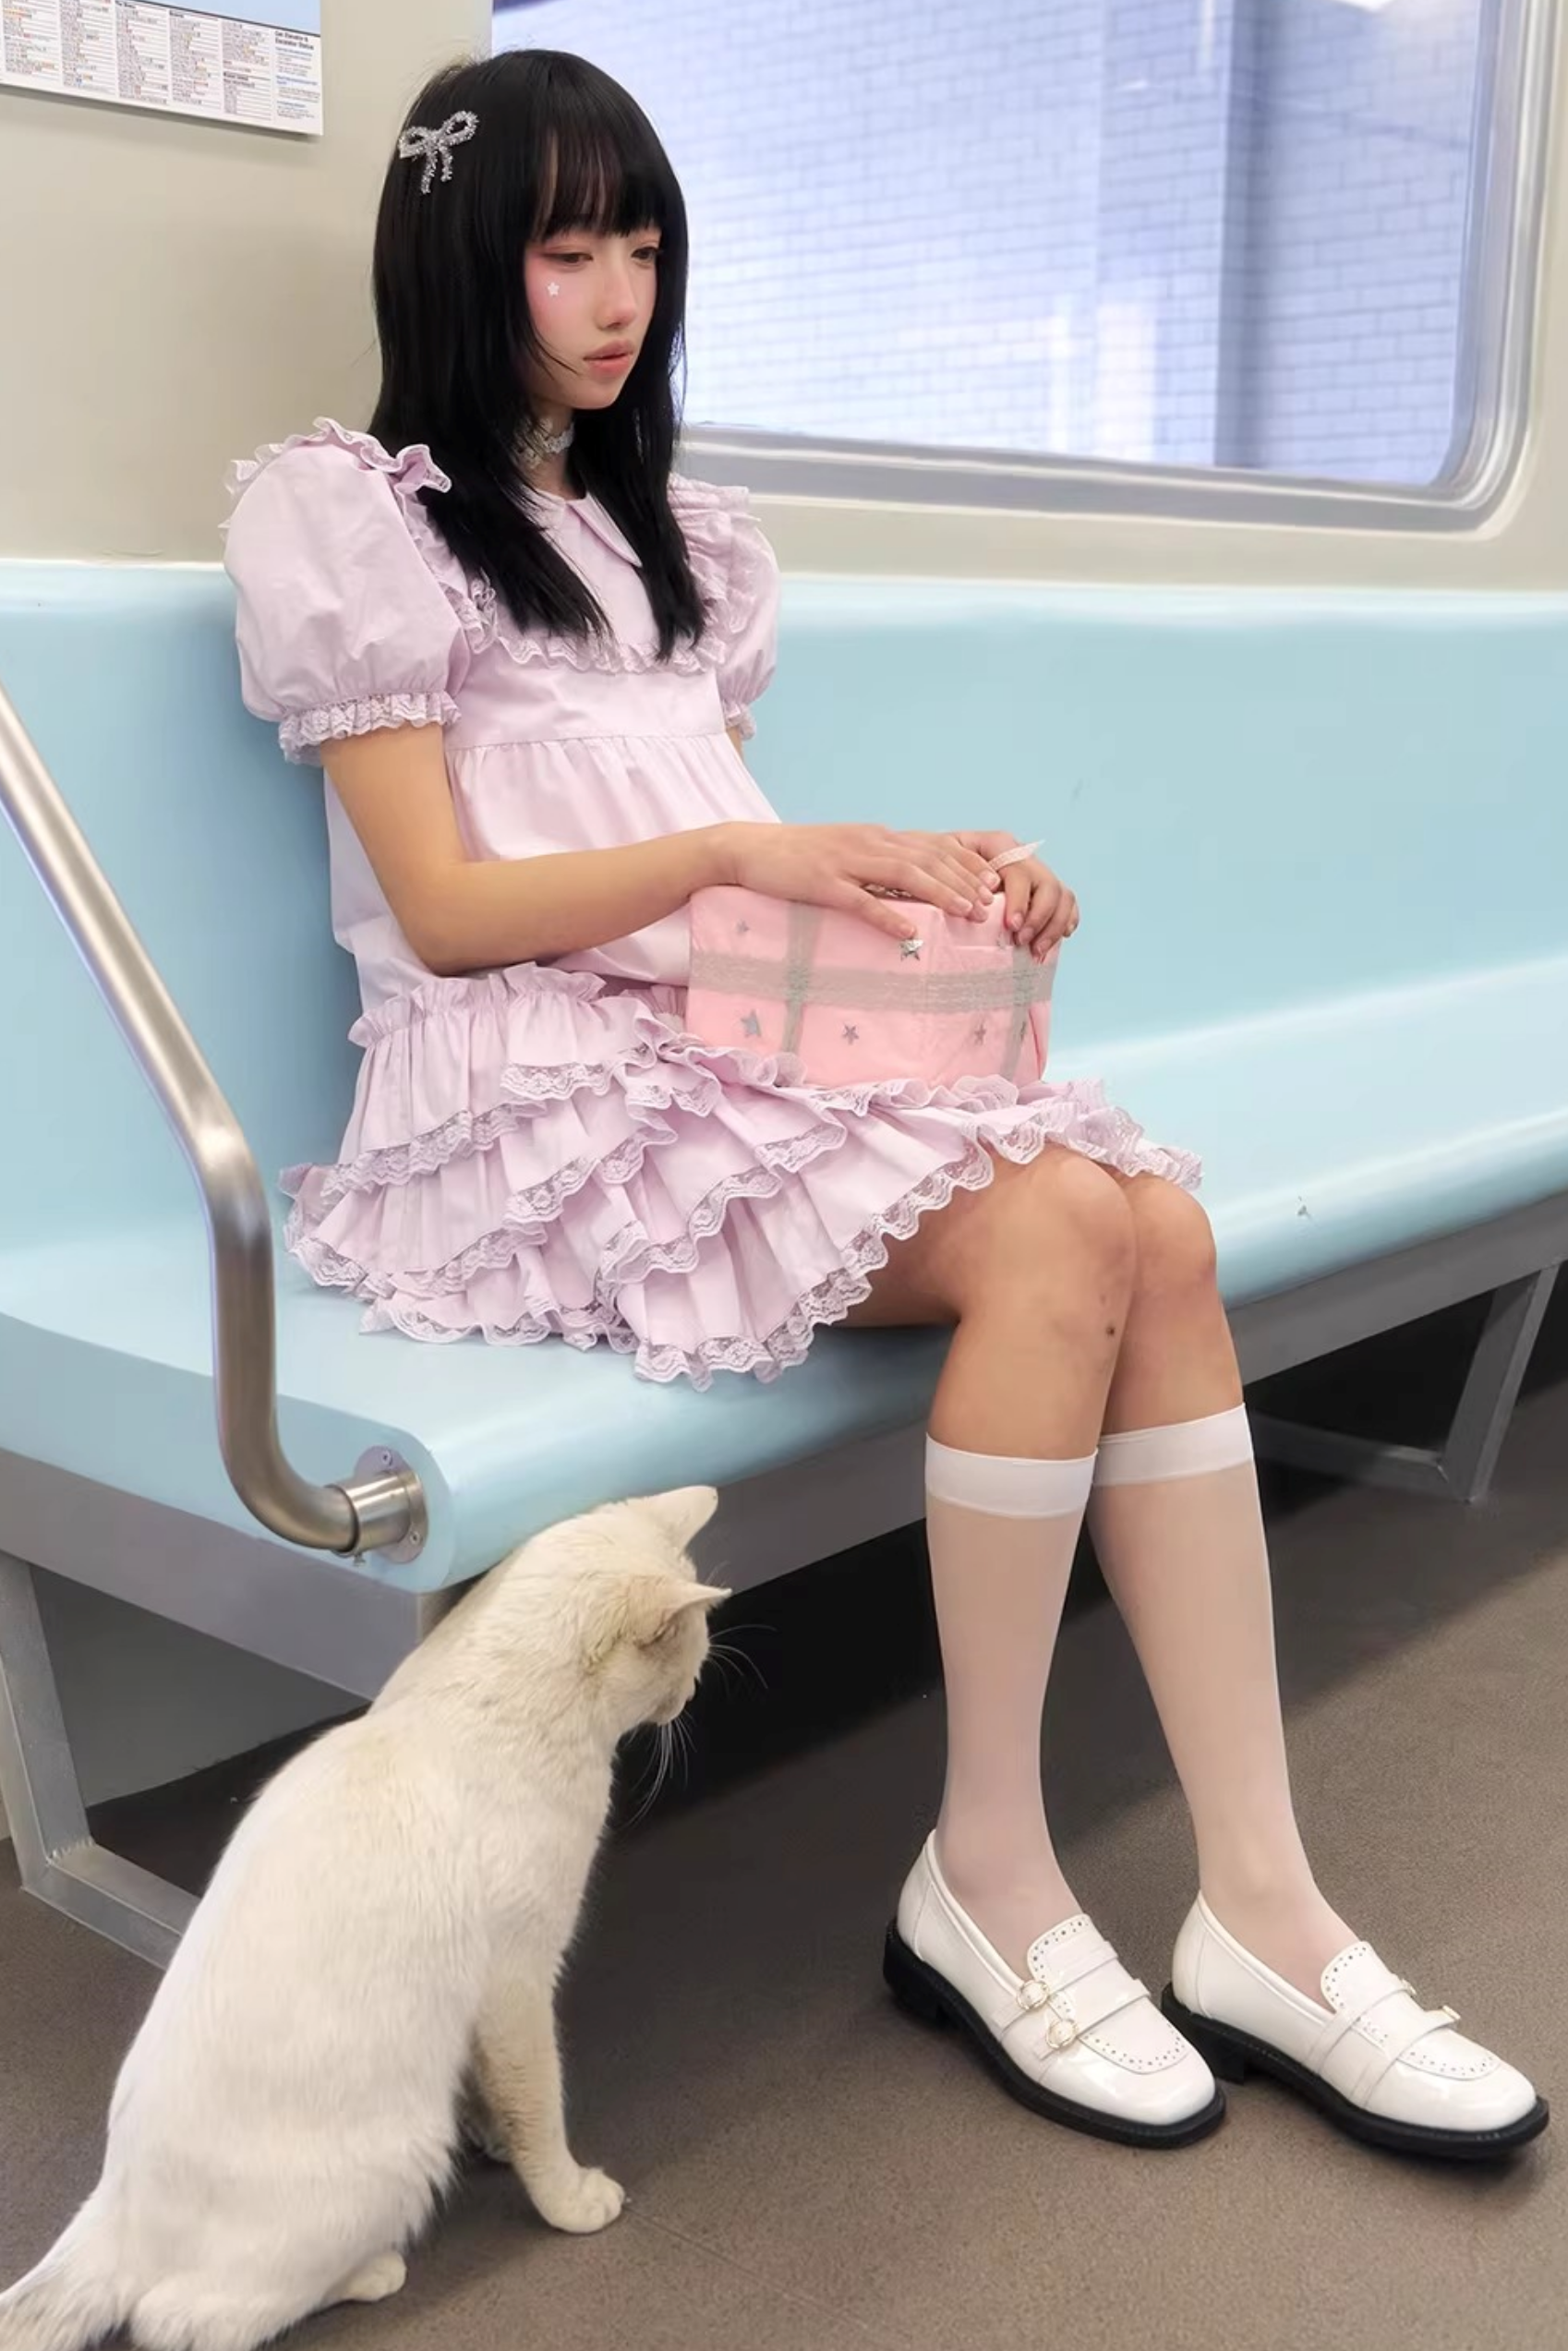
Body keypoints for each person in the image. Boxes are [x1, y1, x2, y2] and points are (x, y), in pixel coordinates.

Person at [223, 47, 1545, 2158]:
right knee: (1068, 1222)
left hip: (702, 1042)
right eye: (566, 250)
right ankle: (991, 1875)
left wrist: (932, 879)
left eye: (643, 246)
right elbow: (454, 914)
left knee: (1155, 1223)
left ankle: (1266, 1906)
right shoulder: (357, 524)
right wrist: (750, 851)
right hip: (519, 1095)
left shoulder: (674, 544)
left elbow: (725, 872)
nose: (618, 294)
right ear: (460, 262)